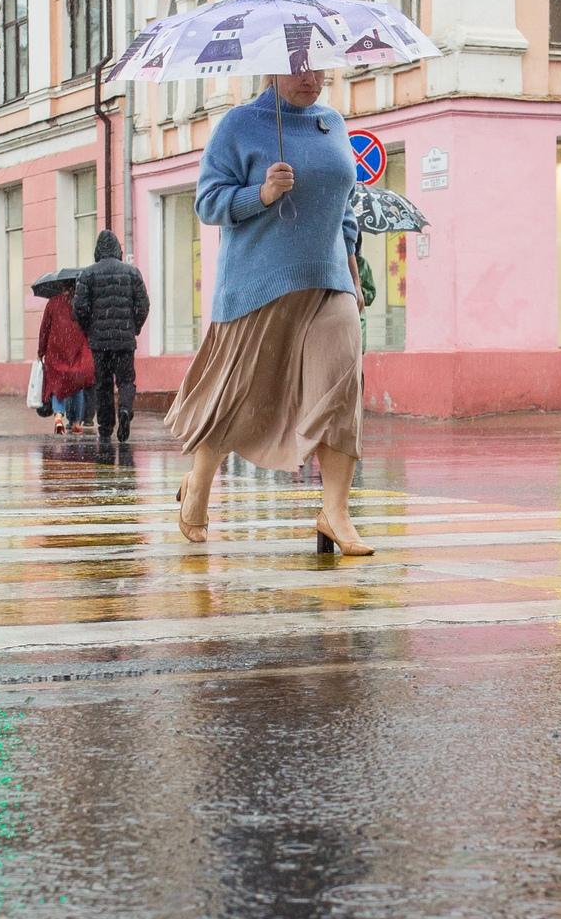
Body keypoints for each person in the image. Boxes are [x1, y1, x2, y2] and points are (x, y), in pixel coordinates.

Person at [167, 67, 369, 555]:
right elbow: (208, 202)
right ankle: (198, 485)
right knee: (237, 397)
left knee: (341, 391)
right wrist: (260, 194)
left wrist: (352, 271)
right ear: (273, 69)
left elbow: (343, 206)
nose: (312, 77)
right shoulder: (239, 125)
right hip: (257, 284)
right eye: (299, 68)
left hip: (328, 282)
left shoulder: (333, 124)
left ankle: (335, 513)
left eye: (319, 67)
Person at [72, 229, 149, 443]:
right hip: (124, 340)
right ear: (118, 250)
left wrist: (90, 328)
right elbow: (143, 305)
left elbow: (79, 307)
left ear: (98, 250)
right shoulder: (132, 273)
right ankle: (125, 409)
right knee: (126, 381)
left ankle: (106, 426)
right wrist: (134, 327)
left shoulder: (87, 274)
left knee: (103, 384)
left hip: (99, 342)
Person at [37, 288, 95, 435]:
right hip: (77, 350)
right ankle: (76, 422)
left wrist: (41, 351)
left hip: (56, 349)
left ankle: (58, 416)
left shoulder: (53, 302)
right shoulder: (81, 302)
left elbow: (44, 329)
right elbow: (89, 326)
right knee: (77, 385)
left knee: (57, 384)